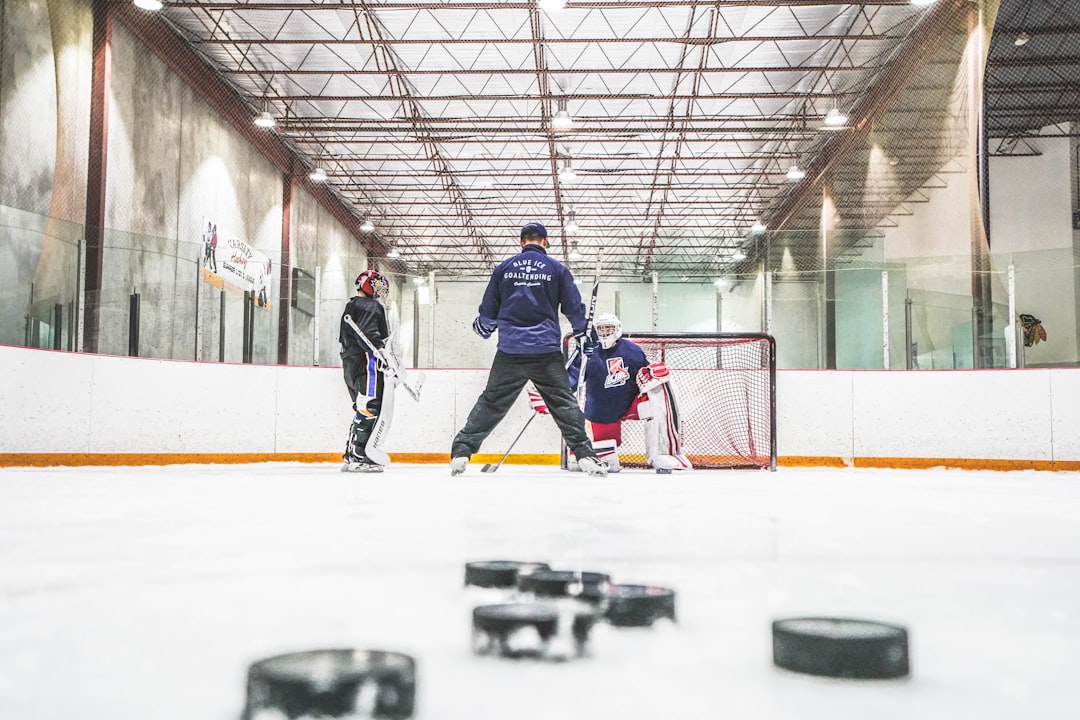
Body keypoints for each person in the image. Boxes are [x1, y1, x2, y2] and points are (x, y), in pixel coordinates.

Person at [450, 220, 608, 477]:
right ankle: (586, 455)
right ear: (545, 242)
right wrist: (585, 334)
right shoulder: (557, 269)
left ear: (521, 242)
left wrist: (484, 327)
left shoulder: (504, 269)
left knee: (491, 403)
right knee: (564, 404)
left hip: (510, 351)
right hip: (545, 351)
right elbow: (573, 308)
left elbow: (489, 310)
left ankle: (461, 452)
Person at [549, 312, 691, 473]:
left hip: (630, 403)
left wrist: (653, 375)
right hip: (602, 411)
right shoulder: (588, 352)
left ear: (617, 329)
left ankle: (664, 454)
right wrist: (553, 394)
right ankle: (581, 456)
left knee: (657, 397)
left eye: (608, 328)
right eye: (601, 329)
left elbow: (646, 374)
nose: (604, 333)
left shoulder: (632, 350)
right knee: (607, 459)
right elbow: (571, 381)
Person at [339, 270, 393, 473]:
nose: (380, 292)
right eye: (377, 287)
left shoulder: (354, 305)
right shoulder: (370, 306)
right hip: (367, 362)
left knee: (362, 407)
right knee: (370, 406)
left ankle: (352, 455)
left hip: (352, 363)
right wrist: (383, 354)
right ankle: (361, 456)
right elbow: (369, 335)